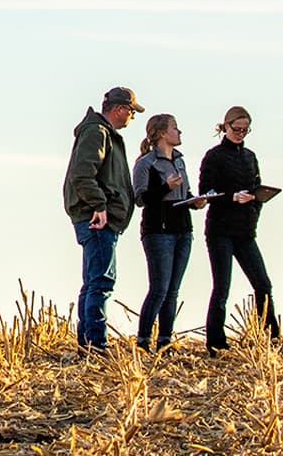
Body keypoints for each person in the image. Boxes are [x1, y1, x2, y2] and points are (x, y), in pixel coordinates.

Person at [198, 106, 283, 354]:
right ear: (225, 127)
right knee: (222, 287)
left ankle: (272, 339)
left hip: (246, 231)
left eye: (245, 130)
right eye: (236, 129)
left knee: (263, 284)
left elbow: (256, 188)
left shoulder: (250, 156)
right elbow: (206, 192)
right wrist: (232, 198)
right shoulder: (213, 157)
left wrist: (256, 201)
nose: (240, 134)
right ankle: (216, 342)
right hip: (220, 230)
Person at [63, 86, 144, 351]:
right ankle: (96, 344)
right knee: (101, 281)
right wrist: (99, 205)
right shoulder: (98, 133)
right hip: (97, 218)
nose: (132, 117)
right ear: (120, 109)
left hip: (98, 216)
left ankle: (88, 342)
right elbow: (82, 173)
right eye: (132, 111)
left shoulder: (102, 133)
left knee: (94, 281)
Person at [131, 114, 206, 352]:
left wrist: (195, 201)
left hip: (183, 229)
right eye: (175, 128)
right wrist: (166, 187)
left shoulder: (180, 161)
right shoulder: (146, 163)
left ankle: (165, 340)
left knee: (173, 289)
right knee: (159, 288)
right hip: (158, 232)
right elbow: (141, 199)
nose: (179, 132)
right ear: (163, 133)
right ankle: (143, 340)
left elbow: (184, 194)